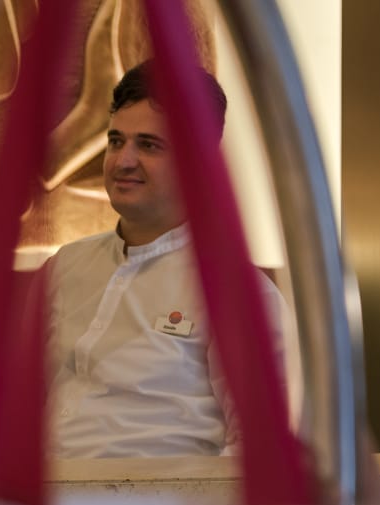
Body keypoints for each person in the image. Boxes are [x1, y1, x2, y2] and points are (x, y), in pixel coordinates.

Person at [44, 61, 289, 458]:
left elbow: (264, 444)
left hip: (168, 493)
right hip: (44, 491)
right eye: (116, 141)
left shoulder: (236, 291)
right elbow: (9, 401)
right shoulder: (65, 266)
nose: (123, 161)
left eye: (149, 145)